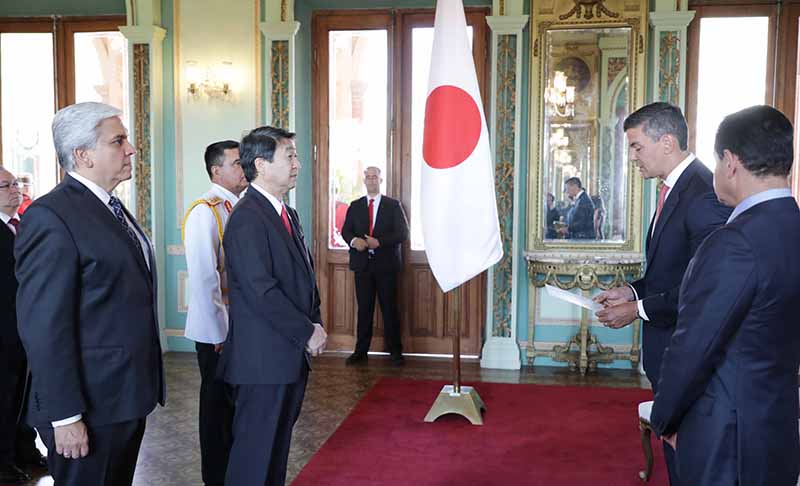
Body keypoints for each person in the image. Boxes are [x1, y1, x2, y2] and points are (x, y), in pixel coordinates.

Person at [14, 102, 165, 485]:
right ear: (82, 155)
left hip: (124, 396)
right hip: (86, 406)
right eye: (118, 140)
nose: (131, 149)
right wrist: (65, 416)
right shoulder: (51, 216)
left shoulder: (111, 207)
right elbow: (44, 328)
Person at [650, 105, 800, 486]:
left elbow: (694, 345)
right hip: (778, 428)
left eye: (717, 163)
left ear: (731, 163)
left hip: (726, 440)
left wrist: (664, 418)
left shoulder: (734, 243)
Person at [593, 102, 731, 485]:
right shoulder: (675, 189)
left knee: (690, 466)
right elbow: (668, 271)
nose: (632, 157)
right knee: (677, 462)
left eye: (636, 146)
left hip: (687, 356)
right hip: (668, 353)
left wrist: (636, 310)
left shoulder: (702, 191)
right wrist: (631, 290)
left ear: (667, 141)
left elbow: (701, 288)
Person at [218, 126, 327, 486]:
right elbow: (260, 291)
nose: (297, 163)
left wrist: (315, 324)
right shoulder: (249, 216)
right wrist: (306, 331)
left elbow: (303, 281)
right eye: (290, 155)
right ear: (262, 165)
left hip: (287, 355)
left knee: (275, 452)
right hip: (262, 361)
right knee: (255, 455)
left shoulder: (285, 214)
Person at [182, 140, 247, 486]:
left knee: (237, 407)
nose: (243, 169)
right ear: (216, 171)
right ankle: (216, 477)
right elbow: (205, 279)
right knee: (217, 410)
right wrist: (219, 333)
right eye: (237, 163)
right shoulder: (205, 211)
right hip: (217, 333)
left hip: (242, 328)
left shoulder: (242, 206)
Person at [0, 168, 46, 485]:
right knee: (4, 398)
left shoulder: (24, 224)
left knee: (25, 395)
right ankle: (4, 462)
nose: (15, 190)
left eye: (16, 184)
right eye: (6, 185)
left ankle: (26, 451)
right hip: (3, 332)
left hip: (28, 329)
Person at [341, 166, 409, 366]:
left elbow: (402, 233)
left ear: (380, 180)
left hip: (386, 266)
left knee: (389, 309)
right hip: (362, 266)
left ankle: (395, 352)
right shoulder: (355, 206)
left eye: (374, 177)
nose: (371, 180)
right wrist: (355, 241)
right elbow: (346, 231)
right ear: (364, 181)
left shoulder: (393, 205)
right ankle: (360, 352)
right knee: (364, 310)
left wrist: (379, 242)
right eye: (368, 177)